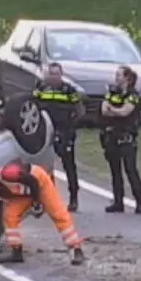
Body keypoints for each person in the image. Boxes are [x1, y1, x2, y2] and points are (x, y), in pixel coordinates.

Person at [0, 162, 85, 265]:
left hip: (40, 184)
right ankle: (16, 251)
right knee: (9, 216)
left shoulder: (7, 173)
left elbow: (32, 181)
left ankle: (75, 248)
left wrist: (36, 203)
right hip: (24, 194)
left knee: (58, 213)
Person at [33, 62, 85, 211]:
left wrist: (71, 127)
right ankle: (45, 198)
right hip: (45, 131)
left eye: (56, 74)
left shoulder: (69, 90)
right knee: (43, 166)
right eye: (51, 74)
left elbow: (80, 111)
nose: (54, 77)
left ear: (61, 75)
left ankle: (74, 197)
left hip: (65, 131)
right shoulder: (41, 88)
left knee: (69, 165)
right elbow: (34, 105)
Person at [100, 66, 141, 214]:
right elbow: (103, 110)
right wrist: (115, 111)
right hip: (112, 136)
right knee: (115, 171)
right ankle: (118, 201)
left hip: (127, 138)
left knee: (130, 170)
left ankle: (139, 202)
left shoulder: (133, 95)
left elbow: (125, 112)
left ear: (127, 78)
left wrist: (112, 110)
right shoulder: (112, 92)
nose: (116, 78)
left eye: (119, 75)